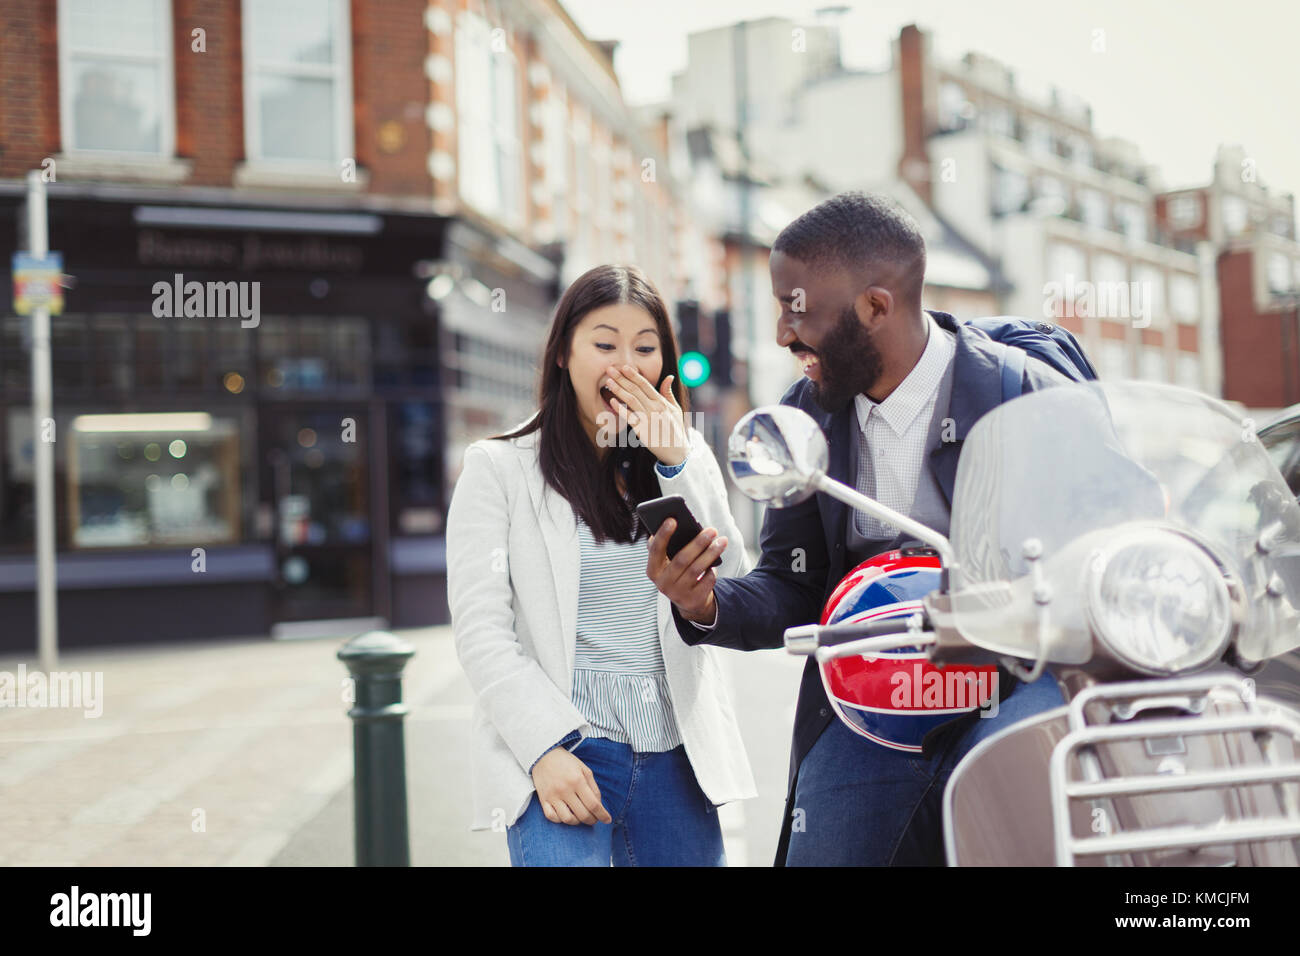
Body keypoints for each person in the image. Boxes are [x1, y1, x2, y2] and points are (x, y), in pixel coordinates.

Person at [647, 191, 1068, 866]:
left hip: (1013, 681)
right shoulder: (803, 415)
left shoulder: (1023, 394)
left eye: (797, 307)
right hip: (868, 699)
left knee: (1032, 820)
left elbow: (1096, 555)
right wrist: (703, 603)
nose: (783, 333)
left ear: (876, 306)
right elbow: (793, 585)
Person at [447, 263, 756, 866]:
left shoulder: (686, 460)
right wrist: (542, 750)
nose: (626, 364)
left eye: (645, 347)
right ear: (564, 351)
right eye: (604, 343)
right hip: (567, 755)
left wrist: (677, 461)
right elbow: (482, 631)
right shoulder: (500, 469)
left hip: (678, 758)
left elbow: (736, 587)